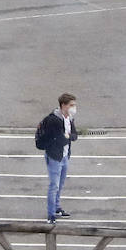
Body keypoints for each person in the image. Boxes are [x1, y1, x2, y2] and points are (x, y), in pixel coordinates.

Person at [34, 92, 77, 223]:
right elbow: (59, 140)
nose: (74, 108)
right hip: (54, 156)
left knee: (60, 184)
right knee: (54, 185)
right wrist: (67, 137)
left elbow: (74, 136)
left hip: (64, 155)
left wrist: (67, 136)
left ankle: (57, 208)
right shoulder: (54, 120)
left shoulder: (69, 118)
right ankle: (51, 215)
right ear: (63, 105)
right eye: (71, 105)